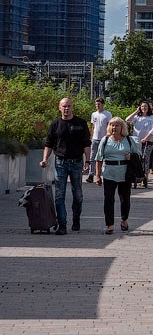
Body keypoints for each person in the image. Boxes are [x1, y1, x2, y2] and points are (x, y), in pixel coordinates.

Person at [40, 97, 91, 235]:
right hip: (60, 163)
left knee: (78, 195)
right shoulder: (55, 124)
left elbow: (86, 143)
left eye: (69, 106)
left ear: (72, 107)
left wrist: (88, 161)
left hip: (77, 163)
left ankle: (76, 219)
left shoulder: (80, 123)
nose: (66, 108)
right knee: (59, 195)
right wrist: (44, 159)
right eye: (64, 106)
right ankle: (62, 224)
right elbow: (48, 144)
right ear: (59, 108)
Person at [93, 117, 141, 234]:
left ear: (122, 127)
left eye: (117, 125)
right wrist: (98, 175)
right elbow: (99, 158)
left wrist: (131, 157)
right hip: (109, 173)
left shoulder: (128, 140)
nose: (114, 127)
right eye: (112, 125)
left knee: (125, 199)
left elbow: (137, 155)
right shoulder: (105, 140)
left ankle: (124, 220)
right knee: (108, 200)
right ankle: (109, 225)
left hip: (125, 173)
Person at [125, 102, 153, 188]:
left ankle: (145, 177)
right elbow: (127, 120)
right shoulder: (137, 117)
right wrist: (136, 111)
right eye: (142, 106)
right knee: (137, 159)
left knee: (145, 159)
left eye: (145, 106)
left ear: (148, 107)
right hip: (137, 142)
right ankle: (136, 176)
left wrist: (146, 138)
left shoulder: (152, 117)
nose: (144, 108)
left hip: (148, 141)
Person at [86, 97, 112, 183]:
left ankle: (104, 174)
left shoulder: (107, 114)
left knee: (104, 157)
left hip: (104, 138)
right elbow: (93, 126)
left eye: (99, 104)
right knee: (93, 157)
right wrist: (91, 136)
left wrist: (108, 136)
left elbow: (109, 125)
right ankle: (91, 174)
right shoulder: (94, 114)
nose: (97, 106)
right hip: (95, 138)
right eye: (96, 104)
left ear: (102, 104)